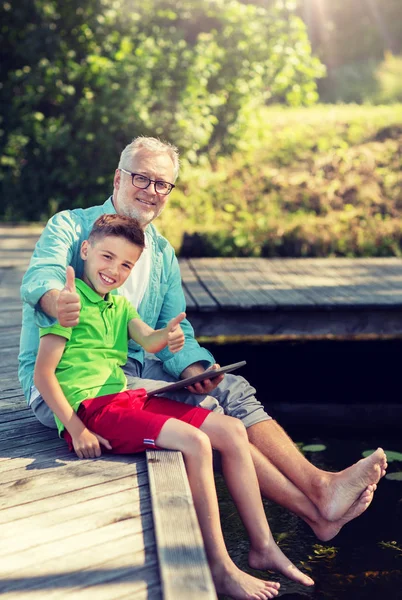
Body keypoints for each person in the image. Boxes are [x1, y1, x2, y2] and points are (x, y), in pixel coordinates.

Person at [19, 136, 387, 545]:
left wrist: (195, 369)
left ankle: (319, 489)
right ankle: (314, 506)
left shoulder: (161, 253)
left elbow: (177, 331)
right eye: (142, 178)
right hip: (74, 382)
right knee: (211, 410)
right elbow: (42, 277)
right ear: (118, 177)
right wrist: (59, 303)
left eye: (162, 184)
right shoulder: (73, 226)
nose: (151, 191)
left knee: (230, 386)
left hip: (135, 368)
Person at [34, 213, 317, 599]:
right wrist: (76, 428)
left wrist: (167, 337)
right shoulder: (70, 306)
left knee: (232, 430)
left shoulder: (118, 306)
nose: (113, 270)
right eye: (106, 257)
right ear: (86, 250)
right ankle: (219, 565)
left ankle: (263, 545)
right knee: (196, 442)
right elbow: (43, 376)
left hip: (125, 399)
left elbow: (148, 341)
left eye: (125, 264)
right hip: (94, 412)